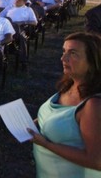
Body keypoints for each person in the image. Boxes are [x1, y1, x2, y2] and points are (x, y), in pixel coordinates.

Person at [28, 32, 101, 177]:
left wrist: (46, 144)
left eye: (73, 53)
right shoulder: (70, 85)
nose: (63, 58)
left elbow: (96, 161)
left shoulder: (93, 105)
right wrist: (36, 122)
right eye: (64, 51)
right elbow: (62, 116)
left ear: (93, 61)